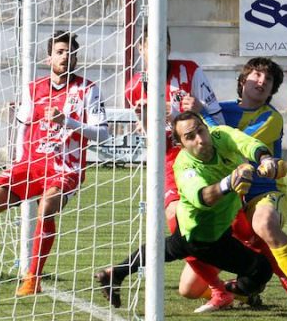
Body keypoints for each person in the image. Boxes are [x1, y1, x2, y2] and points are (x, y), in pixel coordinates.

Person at [95, 27, 233, 313]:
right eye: (150, 45)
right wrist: (146, 119)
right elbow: (150, 137)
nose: (157, 50)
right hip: (169, 161)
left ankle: (244, 283)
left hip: (201, 158)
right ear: (141, 49)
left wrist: (199, 109)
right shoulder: (135, 86)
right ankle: (223, 290)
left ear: (169, 46)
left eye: (163, 43)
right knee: (178, 225)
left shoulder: (191, 71)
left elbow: (218, 119)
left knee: (230, 229)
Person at [178, 57, 287, 316]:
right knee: (189, 289)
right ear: (242, 81)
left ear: (272, 90)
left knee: (263, 225)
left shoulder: (270, 118)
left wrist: (203, 114)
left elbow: (234, 141)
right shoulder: (218, 109)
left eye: (268, 79)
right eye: (256, 75)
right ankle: (241, 291)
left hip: (265, 194)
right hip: (228, 201)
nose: (261, 81)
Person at [97, 112, 277, 309]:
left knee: (164, 249)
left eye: (200, 131)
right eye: (190, 137)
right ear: (181, 144)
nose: (200, 140)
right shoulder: (184, 166)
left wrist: (265, 158)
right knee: (262, 269)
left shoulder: (220, 136)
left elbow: (247, 143)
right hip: (205, 237)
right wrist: (228, 183)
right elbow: (202, 197)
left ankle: (115, 273)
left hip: (200, 226)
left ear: (207, 129)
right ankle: (233, 291)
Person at [0, 31, 110, 295]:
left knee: (46, 207)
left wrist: (67, 122)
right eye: (60, 52)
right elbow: (22, 127)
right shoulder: (33, 88)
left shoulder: (88, 90)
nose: (66, 56)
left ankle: (33, 278)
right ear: (49, 57)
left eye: (71, 52)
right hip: (30, 165)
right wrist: (16, 162)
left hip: (65, 167)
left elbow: (104, 133)